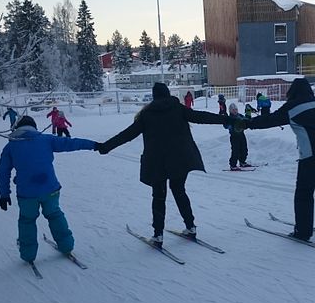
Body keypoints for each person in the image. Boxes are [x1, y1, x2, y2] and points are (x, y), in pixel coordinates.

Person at [96, 83, 229, 247]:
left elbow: (127, 134)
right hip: (181, 159)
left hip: (158, 162)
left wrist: (106, 146)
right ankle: (190, 227)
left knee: (159, 196)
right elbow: (201, 117)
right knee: (179, 191)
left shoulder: (146, 114)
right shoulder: (178, 108)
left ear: (154, 96)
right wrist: (227, 119)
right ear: (167, 94)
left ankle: (158, 235)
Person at [238, 78, 315, 241]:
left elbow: (268, 120)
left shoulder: (292, 107)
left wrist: (246, 124)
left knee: (304, 192)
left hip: (313, 152)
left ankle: (303, 232)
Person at [0, 115, 98, 265]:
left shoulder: (11, 146)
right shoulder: (46, 139)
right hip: (50, 189)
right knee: (55, 215)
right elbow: (71, 143)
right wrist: (95, 145)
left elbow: (3, 171)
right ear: (34, 127)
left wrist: (4, 194)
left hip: (27, 194)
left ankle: (28, 254)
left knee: (27, 221)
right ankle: (67, 246)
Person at [225, 103, 252, 170]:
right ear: (230, 111)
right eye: (233, 110)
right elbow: (225, 125)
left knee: (244, 149)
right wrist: (230, 126)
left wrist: (248, 113)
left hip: (241, 135)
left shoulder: (240, 116)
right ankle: (233, 165)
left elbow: (246, 120)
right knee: (235, 150)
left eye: (236, 109)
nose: (235, 111)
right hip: (234, 136)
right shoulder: (229, 118)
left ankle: (242, 161)